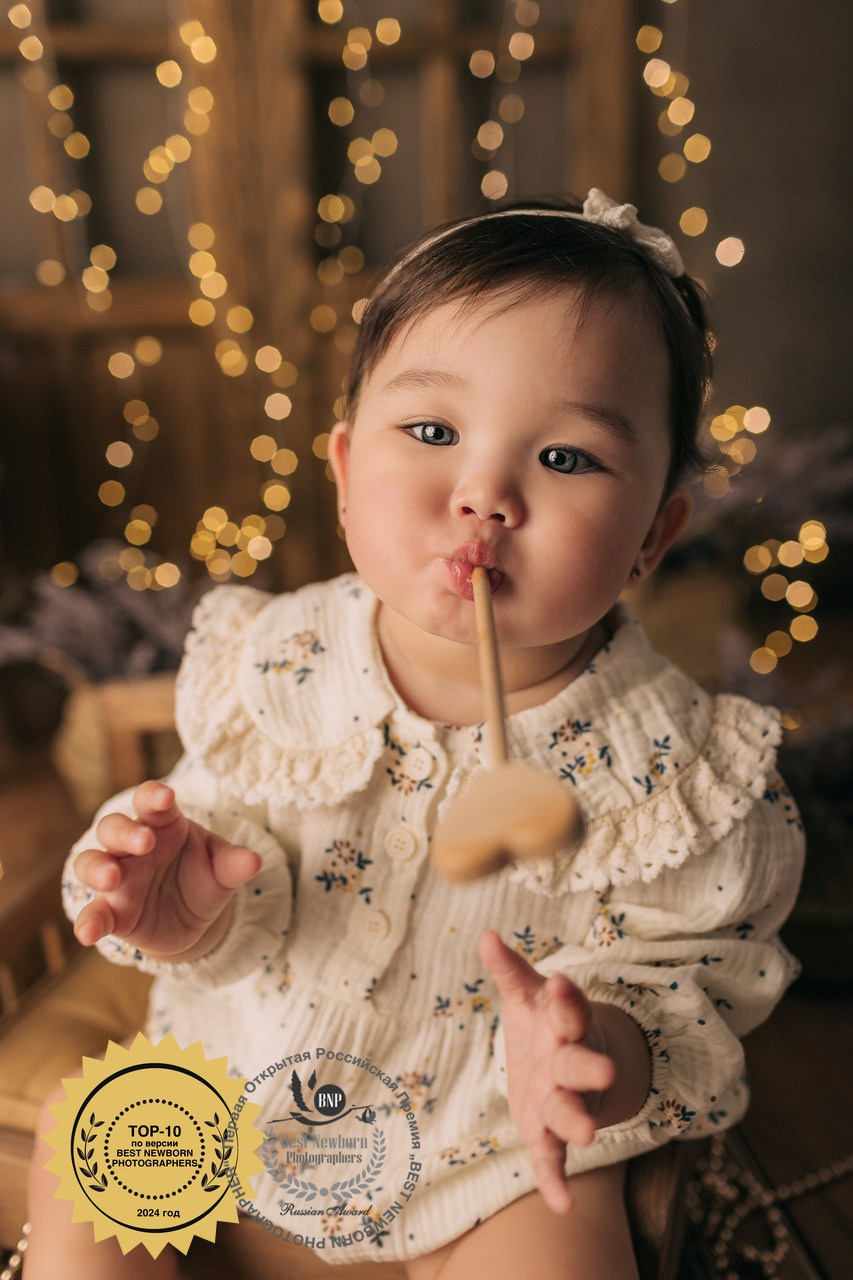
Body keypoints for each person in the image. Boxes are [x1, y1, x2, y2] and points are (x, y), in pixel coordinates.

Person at [26, 190, 804, 1279]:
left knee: (564, 1235)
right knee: (91, 1151)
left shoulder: (675, 771)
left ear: (651, 536)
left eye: (568, 459)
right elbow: (230, 850)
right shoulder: (276, 665)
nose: (483, 493)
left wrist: (603, 1048)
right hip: (231, 1085)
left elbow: (699, 978)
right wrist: (186, 907)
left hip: (485, 1159)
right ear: (345, 472)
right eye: (432, 432)